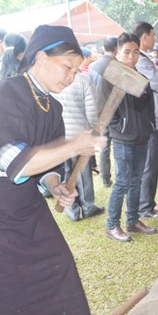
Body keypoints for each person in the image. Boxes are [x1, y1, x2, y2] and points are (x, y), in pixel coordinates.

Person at [0, 25, 112, 315]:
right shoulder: (5, 93)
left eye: (75, 68)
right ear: (40, 58)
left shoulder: (53, 107)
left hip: (23, 201)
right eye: (67, 65)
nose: (71, 75)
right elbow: (17, 162)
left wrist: (56, 185)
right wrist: (75, 145)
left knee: (57, 261)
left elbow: (42, 169)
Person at [104, 32, 157, 241]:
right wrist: (119, 128)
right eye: (127, 52)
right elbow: (105, 109)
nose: (132, 56)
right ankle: (112, 225)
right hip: (123, 138)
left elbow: (149, 107)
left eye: (135, 52)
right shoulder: (111, 76)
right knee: (122, 182)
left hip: (142, 136)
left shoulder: (142, 78)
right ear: (118, 52)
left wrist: (150, 125)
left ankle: (132, 220)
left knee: (136, 180)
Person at [52, 63, 105, 222]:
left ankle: (72, 210)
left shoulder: (51, 80)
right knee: (83, 172)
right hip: (79, 135)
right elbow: (92, 111)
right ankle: (88, 207)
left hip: (57, 137)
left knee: (65, 172)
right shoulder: (83, 80)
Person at [133, 22, 158, 216]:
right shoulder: (140, 60)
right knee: (149, 163)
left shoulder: (143, 58)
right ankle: (145, 207)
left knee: (151, 162)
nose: (154, 39)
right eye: (153, 35)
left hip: (153, 117)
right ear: (144, 37)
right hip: (151, 119)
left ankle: (149, 202)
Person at [90, 37, 118, 188]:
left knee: (104, 147)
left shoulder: (92, 66)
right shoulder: (117, 66)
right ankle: (118, 177)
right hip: (115, 111)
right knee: (120, 146)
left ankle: (105, 177)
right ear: (116, 48)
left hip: (98, 111)